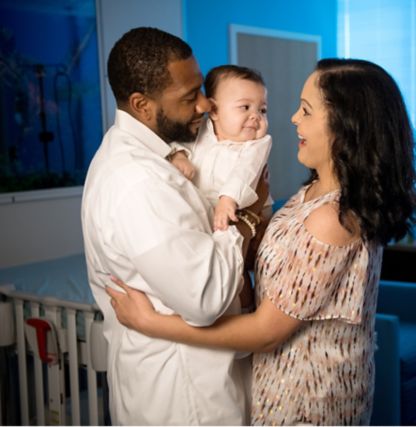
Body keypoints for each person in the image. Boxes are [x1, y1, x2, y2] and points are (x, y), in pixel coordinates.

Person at [107, 58, 416, 425]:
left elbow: (266, 332)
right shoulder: (309, 194)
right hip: (276, 384)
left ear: (345, 125)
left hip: (310, 399)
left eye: (305, 110)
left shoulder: (334, 217)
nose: (292, 119)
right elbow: (271, 261)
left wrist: (150, 323)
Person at [81, 27, 267, 425]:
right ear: (141, 105)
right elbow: (206, 297)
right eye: (189, 97)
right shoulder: (137, 181)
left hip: (195, 383)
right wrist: (245, 214)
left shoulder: (160, 158)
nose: (204, 105)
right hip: (181, 401)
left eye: (200, 89)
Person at [168, 64, 272, 231]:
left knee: (253, 246)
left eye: (263, 110)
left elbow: (246, 171)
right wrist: (179, 155)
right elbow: (177, 143)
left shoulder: (258, 144)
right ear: (214, 110)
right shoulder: (201, 130)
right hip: (205, 210)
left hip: (241, 209)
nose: (256, 116)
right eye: (245, 107)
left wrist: (228, 198)